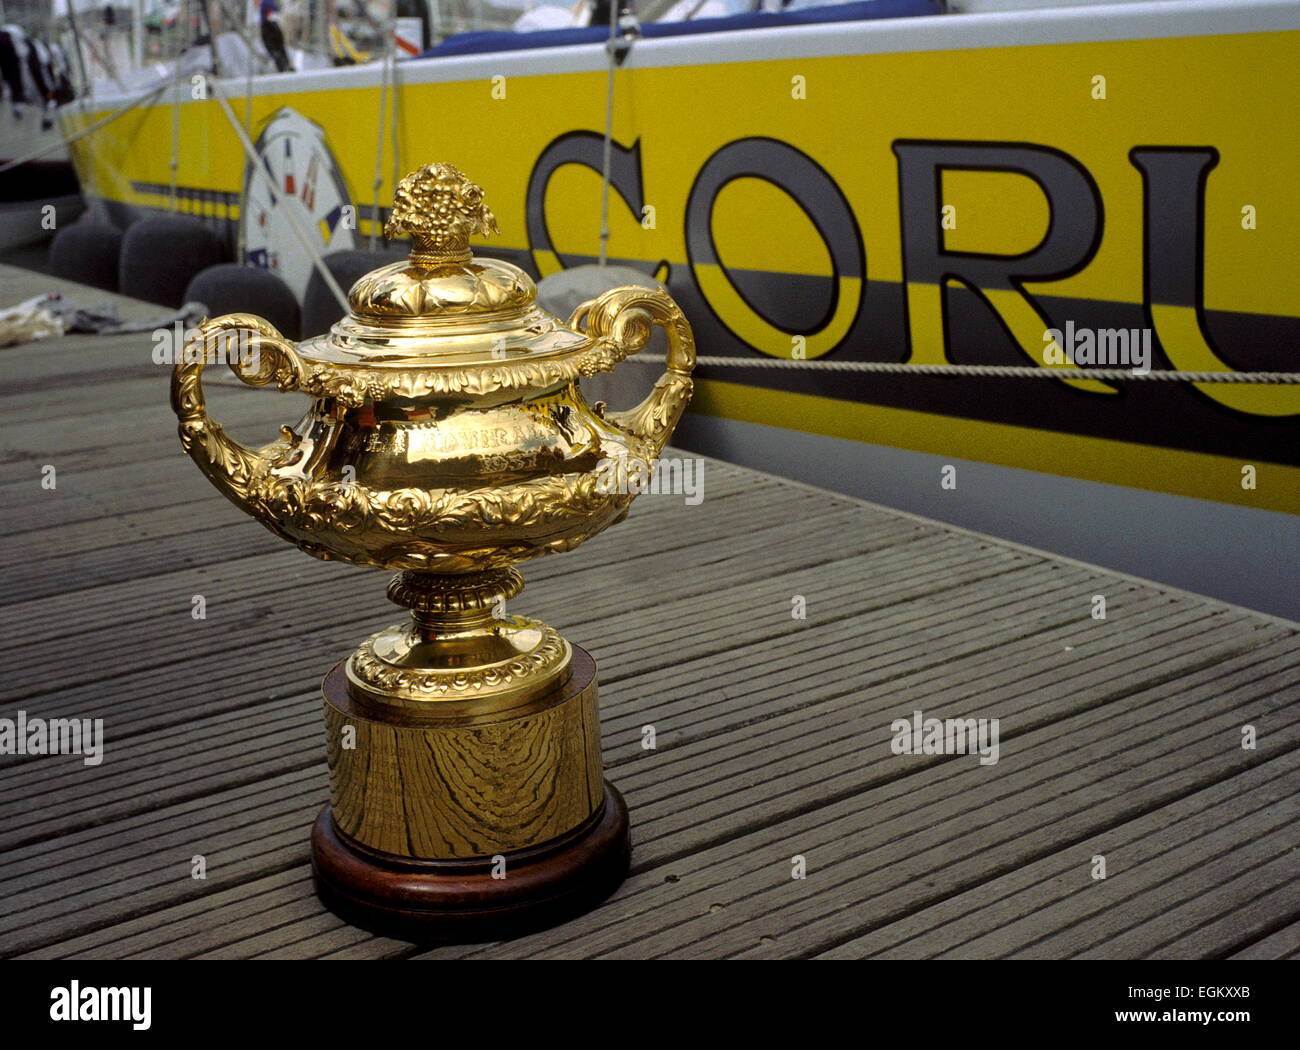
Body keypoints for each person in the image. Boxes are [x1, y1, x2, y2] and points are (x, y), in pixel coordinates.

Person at [260, 0, 293, 72]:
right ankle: (284, 65)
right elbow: (275, 10)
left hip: (270, 25)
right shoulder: (269, 2)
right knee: (277, 48)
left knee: (276, 48)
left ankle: (283, 66)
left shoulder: (267, 2)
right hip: (271, 25)